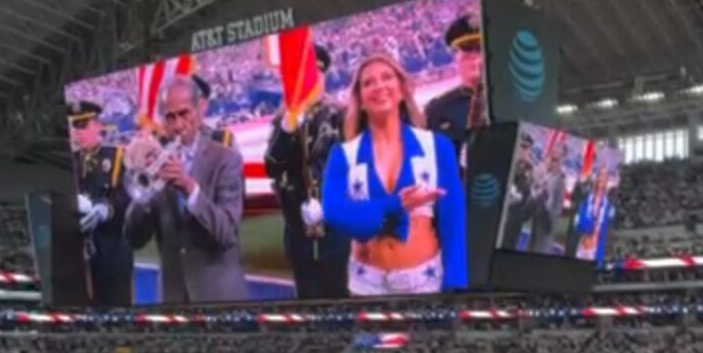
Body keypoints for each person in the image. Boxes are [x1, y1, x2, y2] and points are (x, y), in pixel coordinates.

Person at [321, 54, 466, 296]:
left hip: (425, 283)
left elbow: (453, 220)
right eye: (368, 83)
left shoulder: (436, 147)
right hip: (366, 287)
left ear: (401, 89)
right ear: (361, 100)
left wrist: (455, 283)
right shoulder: (344, 155)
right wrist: (396, 204)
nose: (379, 86)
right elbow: (335, 213)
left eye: (387, 77)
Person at [123, 76, 250, 304]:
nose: (178, 125)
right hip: (173, 298)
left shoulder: (226, 159)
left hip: (219, 296)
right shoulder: (156, 162)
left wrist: (189, 187)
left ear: (199, 111)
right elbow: (134, 239)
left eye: (184, 114)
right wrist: (143, 197)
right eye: (170, 117)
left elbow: (227, 233)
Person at [263, 44, 350, 300]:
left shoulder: (341, 116)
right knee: (306, 298)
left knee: (339, 297)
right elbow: (272, 165)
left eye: (313, 78)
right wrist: (289, 125)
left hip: (336, 230)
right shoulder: (283, 121)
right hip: (297, 231)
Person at [69, 100, 134, 307]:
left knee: (115, 305)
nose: (78, 133)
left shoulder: (115, 157)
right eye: (75, 127)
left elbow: (126, 195)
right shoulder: (72, 161)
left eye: (84, 126)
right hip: (80, 252)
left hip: (111, 248)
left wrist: (105, 209)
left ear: (98, 126)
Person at [425, 14, 486, 166]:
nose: (475, 59)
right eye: (467, 52)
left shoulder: (510, 99)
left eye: (479, 50)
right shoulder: (437, 109)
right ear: (455, 58)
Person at [569, 144, 621, 264]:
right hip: (582, 245)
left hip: (597, 248)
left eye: (604, 176)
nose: (601, 179)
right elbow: (578, 215)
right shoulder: (587, 198)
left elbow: (610, 224)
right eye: (600, 175)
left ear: (607, 180)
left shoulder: (609, 203)